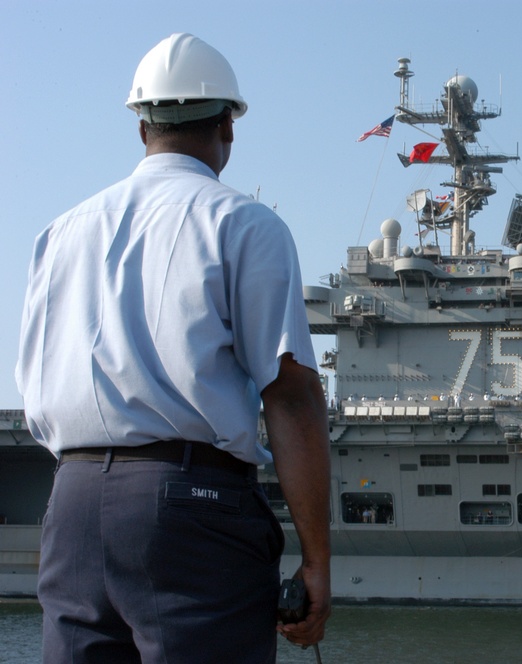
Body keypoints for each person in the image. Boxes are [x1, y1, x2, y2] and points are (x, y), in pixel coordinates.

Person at [16, 33, 331, 663]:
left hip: (71, 502)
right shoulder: (245, 223)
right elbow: (291, 395)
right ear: (228, 126)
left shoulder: (59, 232)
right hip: (190, 507)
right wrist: (317, 562)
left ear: (141, 126)